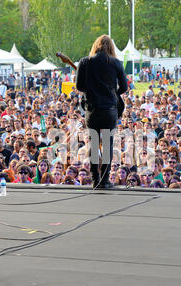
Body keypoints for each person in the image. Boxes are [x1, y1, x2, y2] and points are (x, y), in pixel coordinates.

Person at [76, 34, 128, 189]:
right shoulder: (116, 63)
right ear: (110, 47)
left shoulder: (85, 62)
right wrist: (112, 92)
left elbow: (79, 86)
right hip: (109, 110)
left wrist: (92, 90)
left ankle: (94, 179)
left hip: (92, 110)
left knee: (93, 143)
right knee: (107, 144)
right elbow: (124, 87)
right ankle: (104, 180)